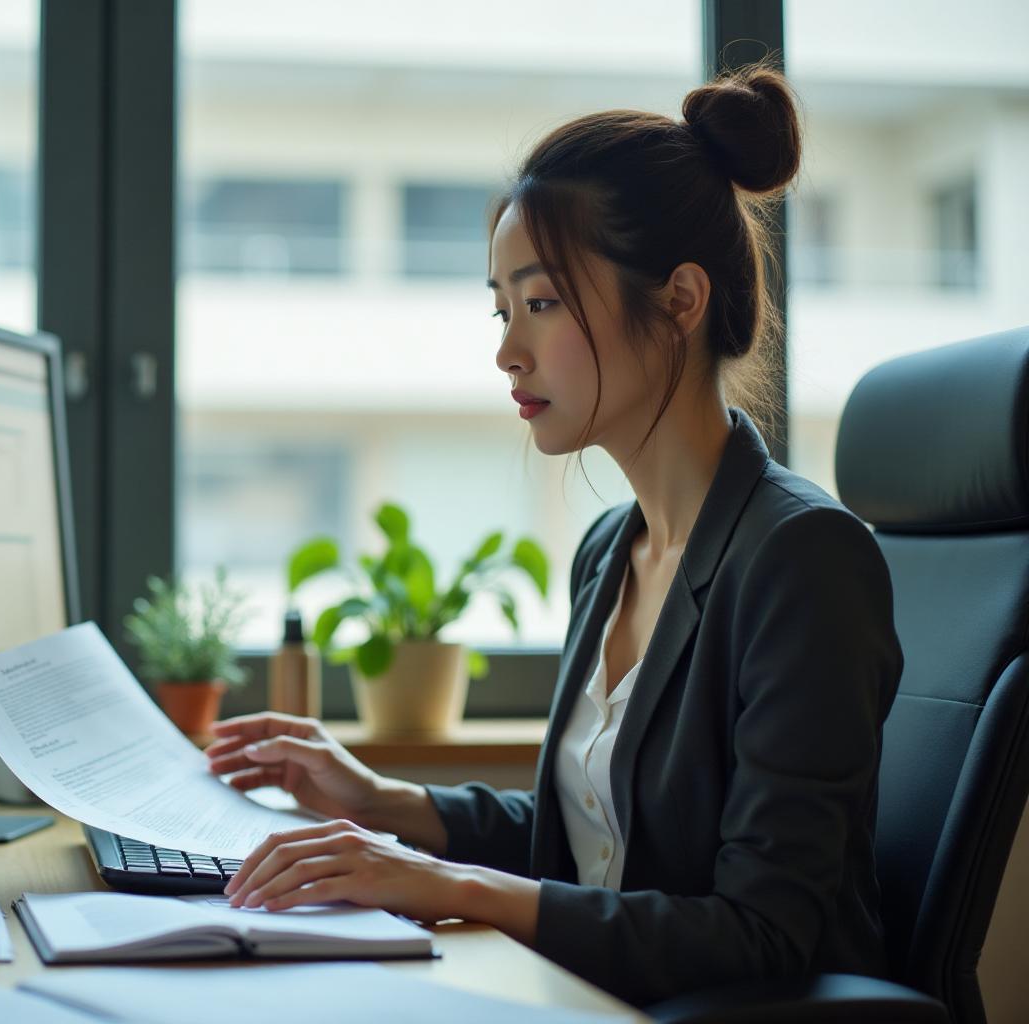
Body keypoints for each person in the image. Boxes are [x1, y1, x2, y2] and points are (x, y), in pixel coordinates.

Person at [205, 64, 902, 1008]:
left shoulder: (802, 559)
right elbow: (603, 827)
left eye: (540, 302)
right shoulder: (611, 551)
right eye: (502, 308)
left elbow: (763, 931)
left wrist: (452, 887)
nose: (505, 350)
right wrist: (385, 804)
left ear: (681, 302)